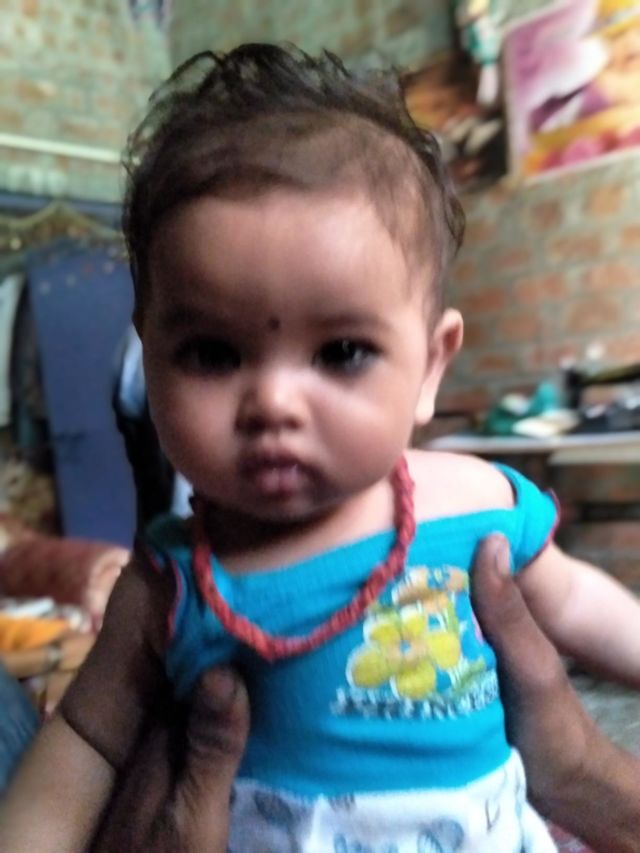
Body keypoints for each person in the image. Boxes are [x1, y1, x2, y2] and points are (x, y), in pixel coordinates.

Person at [2, 43, 640, 850]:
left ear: (429, 366)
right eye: (211, 353)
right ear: (147, 356)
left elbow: (576, 601)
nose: (273, 401)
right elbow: (85, 741)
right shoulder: (172, 579)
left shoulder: (471, 501)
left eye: (341, 352)